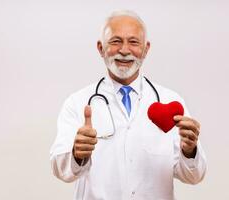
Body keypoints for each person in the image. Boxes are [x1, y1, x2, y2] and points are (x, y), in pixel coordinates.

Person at [50, 10, 207, 200]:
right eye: (115, 41)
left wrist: (189, 151)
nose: (124, 50)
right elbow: (59, 169)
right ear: (100, 48)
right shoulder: (77, 103)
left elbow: (194, 176)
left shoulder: (170, 102)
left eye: (133, 42)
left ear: (146, 49)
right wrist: (76, 153)